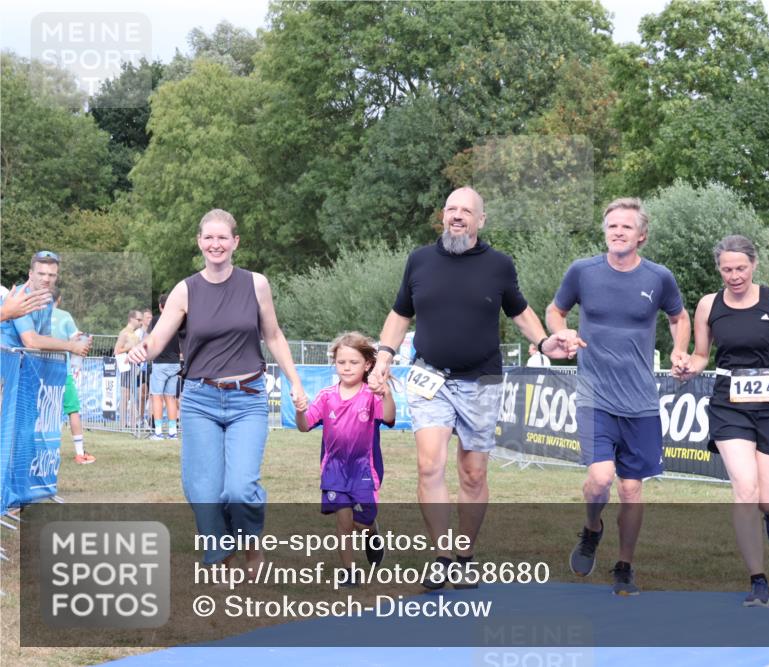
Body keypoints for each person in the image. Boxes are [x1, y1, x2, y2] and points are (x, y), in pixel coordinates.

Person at [368, 187, 578, 589]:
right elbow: (399, 314)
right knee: (430, 464)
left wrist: (547, 343)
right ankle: (442, 555)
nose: (458, 215)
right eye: (451, 209)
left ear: (481, 220)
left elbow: (520, 312)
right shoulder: (420, 260)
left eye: (467, 211)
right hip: (430, 377)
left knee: (473, 473)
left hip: (482, 381)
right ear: (443, 216)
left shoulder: (499, 265)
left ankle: (465, 555)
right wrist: (383, 357)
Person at [128, 208, 308, 572]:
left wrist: (295, 381)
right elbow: (159, 337)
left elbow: (272, 335)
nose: (215, 244)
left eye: (222, 237)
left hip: (248, 398)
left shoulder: (256, 284)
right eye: (208, 238)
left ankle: (252, 544)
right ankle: (221, 556)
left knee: (240, 488)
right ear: (199, 242)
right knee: (203, 491)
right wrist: (139, 349)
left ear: (235, 242)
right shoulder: (185, 290)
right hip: (199, 400)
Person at [546, 197, 690, 596]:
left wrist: (681, 350)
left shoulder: (659, 278)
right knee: (599, 478)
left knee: (630, 488)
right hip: (595, 395)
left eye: (626, 227)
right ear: (605, 231)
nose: (618, 231)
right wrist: (562, 332)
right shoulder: (583, 272)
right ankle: (592, 527)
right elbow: (555, 311)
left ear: (641, 235)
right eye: (612, 226)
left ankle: (624, 564)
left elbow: (679, 317)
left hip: (641, 400)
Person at [680, 235, 769, 607]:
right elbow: (701, 355)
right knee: (745, 489)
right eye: (727, 269)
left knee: (767, 499)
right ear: (719, 269)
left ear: (754, 265)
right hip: (729, 405)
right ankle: (758, 580)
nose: (734, 276)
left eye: (740, 268)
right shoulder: (709, 305)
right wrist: (686, 368)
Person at [296, 332, 395, 582]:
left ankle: (372, 533)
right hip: (334, 470)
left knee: (359, 523)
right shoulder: (326, 396)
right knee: (342, 521)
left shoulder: (371, 395)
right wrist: (300, 411)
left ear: (367, 365)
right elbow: (305, 425)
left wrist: (387, 395)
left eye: (353, 362)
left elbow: (390, 418)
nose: (347, 367)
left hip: (364, 470)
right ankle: (349, 571)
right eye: (341, 362)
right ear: (335, 363)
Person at [0, 252, 90, 361]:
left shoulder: (48, 300)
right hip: (6, 363)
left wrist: (72, 340)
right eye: (41, 274)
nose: (46, 279)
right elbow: (31, 341)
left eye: (51, 275)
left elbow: (45, 338)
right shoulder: (19, 297)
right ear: (30, 274)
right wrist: (71, 346)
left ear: (56, 277)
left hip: (25, 364)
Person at [50, 287, 96, 464]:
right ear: (59, 299)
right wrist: (86, 341)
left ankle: (47, 451)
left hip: (41, 371)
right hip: (63, 370)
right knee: (72, 410)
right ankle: (79, 453)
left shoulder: (37, 315)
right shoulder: (65, 316)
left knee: (45, 412)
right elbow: (78, 342)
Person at [148, 293, 182, 441]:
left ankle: (158, 432)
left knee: (156, 397)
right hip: (175, 363)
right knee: (171, 398)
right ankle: (173, 432)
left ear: (161, 306)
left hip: (160, 363)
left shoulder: (156, 320)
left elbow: (149, 340)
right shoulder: (179, 320)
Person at [114, 309, 143, 426]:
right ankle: (122, 423)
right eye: (139, 319)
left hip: (134, 367)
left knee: (132, 395)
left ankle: (132, 423)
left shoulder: (134, 334)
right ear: (132, 319)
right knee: (125, 395)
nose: (141, 322)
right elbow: (117, 351)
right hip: (126, 367)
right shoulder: (124, 333)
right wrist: (129, 348)